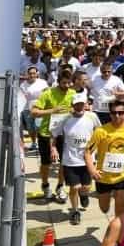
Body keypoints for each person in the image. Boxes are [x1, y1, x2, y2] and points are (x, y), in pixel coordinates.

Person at [50, 92, 102, 225]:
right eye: (76, 104)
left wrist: (99, 149)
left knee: (85, 187)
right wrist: (53, 148)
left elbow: (100, 132)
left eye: (82, 104)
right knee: (74, 188)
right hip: (70, 159)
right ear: (72, 105)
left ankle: (84, 195)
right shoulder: (65, 119)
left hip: (88, 159)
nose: (79, 107)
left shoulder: (92, 116)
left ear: (85, 104)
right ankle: (74, 211)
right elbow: (54, 134)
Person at [85, 99, 124, 219]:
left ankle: (118, 235)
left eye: (120, 113)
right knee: (104, 208)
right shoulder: (100, 131)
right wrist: (92, 170)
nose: (117, 115)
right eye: (113, 113)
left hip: (123, 175)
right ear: (109, 113)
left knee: (120, 212)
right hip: (103, 177)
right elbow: (87, 152)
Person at [31, 69, 76, 202]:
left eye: (69, 83)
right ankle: (45, 185)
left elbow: (79, 108)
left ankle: (60, 187)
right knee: (46, 163)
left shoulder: (73, 93)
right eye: (64, 83)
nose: (67, 86)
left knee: (64, 162)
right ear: (58, 82)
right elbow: (33, 112)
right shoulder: (48, 93)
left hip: (65, 134)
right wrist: (52, 110)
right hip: (46, 133)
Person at [20, 65, 48, 150]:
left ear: (37, 74)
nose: (32, 75)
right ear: (27, 74)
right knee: (30, 128)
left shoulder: (42, 82)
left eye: (34, 73)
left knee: (38, 126)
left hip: (40, 108)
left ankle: (41, 142)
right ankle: (34, 143)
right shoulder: (23, 85)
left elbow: (46, 93)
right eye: (30, 73)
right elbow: (22, 97)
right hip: (27, 108)